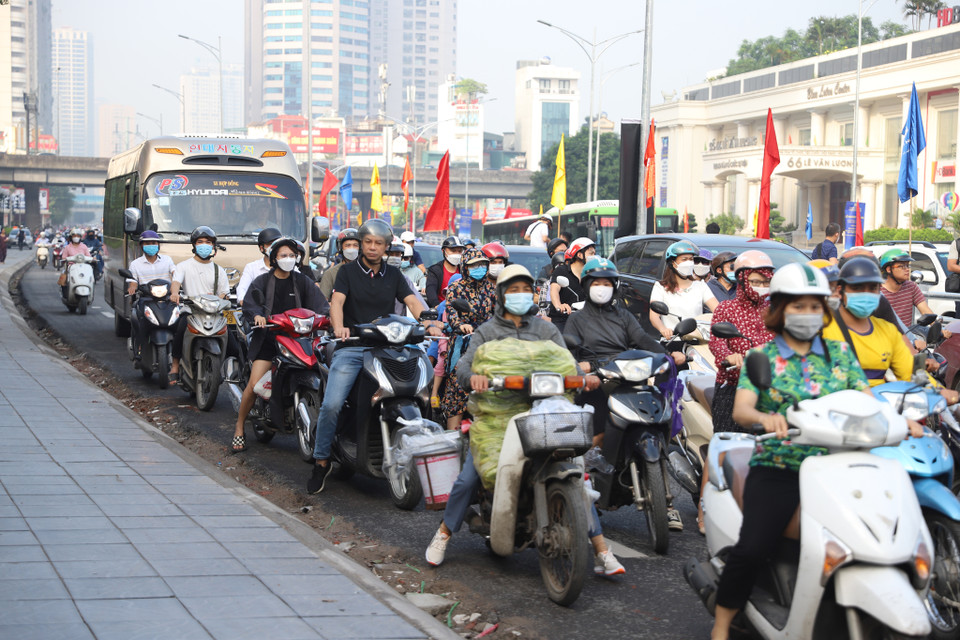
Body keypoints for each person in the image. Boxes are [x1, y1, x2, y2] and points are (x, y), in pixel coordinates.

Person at [710, 262, 918, 640]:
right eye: (797, 306)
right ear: (780, 310)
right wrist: (766, 418)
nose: (807, 314)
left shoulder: (839, 354)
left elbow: (868, 399)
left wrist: (902, 421)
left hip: (843, 466)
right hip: (780, 466)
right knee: (753, 547)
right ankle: (722, 625)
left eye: (813, 306)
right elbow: (742, 410)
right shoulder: (763, 356)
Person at [424, 265, 626, 577]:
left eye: (525, 290)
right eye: (512, 290)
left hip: (544, 411)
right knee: (469, 478)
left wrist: (584, 378)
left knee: (577, 475)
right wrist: (473, 377)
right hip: (497, 417)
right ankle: (444, 534)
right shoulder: (486, 332)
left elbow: (568, 363)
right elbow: (464, 367)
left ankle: (600, 549)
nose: (520, 296)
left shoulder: (546, 330)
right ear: (502, 294)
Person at [307, 219, 439, 494]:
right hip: (353, 346)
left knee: (421, 388)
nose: (372, 247)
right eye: (368, 242)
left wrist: (428, 324)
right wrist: (339, 326)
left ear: (386, 247)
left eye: (378, 243)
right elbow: (337, 303)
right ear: (361, 242)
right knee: (332, 404)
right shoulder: (346, 272)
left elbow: (413, 302)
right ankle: (321, 461)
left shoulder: (394, 275)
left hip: (388, 346)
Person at [565, 257, 686, 449]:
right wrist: (584, 367)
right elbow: (569, 357)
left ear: (614, 287)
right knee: (600, 426)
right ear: (586, 286)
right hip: (595, 380)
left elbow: (643, 339)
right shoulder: (576, 319)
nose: (601, 288)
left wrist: (668, 355)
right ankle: (591, 462)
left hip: (625, 374)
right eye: (597, 283)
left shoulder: (624, 316)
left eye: (606, 283)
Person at [233, 237, 329, 453]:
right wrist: (258, 316)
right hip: (269, 340)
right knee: (254, 384)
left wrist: (330, 317)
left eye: (292, 256)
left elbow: (321, 304)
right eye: (283, 255)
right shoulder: (262, 281)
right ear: (274, 258)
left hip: (300, 339)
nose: (288, 259)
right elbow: (251, 304)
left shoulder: (302, 280)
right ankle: (239, 427)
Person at [709, 250, 776, 433]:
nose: (762, 286)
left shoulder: (776, 310)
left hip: (771, 388)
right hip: (733, 385)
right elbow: (716, 341)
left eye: (766, 282)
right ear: (743, 280)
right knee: (724, 448)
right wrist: (729, 356)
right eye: (755, 282)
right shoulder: (726, 309)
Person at [821, 257, 914, 387]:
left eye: (872, 288)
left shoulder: (888, 330)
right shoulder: (822, 327)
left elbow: (910, 372)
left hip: (879, 402)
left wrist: (937, 390)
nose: (866, 294)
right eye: (857, 288)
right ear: (840, 291)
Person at [439, 247, 497, 431]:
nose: (479, 268)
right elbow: (452, 311)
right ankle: (451, 438)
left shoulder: (491, 289)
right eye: (474, 265)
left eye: (482, 264)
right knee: (456, 391)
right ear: (465, 267)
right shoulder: (456, 288)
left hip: (487, 344)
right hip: (463, 342)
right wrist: (461, 325)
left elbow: (499, 315)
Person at [169, 226, 230, 382]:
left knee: (233, 343)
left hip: (214, 313)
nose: (204, 244)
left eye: (208, 242)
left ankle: (227, 371)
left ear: (213, 246)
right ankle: (175, 365)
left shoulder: (219, 270)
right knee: (180, 330)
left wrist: (219, 298)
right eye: (200, 241)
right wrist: (174, 293)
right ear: (194, 245)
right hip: (191, 311)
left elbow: (224, 293)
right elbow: (176, 282)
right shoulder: (184, 266)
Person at [649, 240, 719, 339]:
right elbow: (654, 316)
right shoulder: (660, 287)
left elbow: (718, 310)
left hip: (697, 340)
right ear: (673, 263)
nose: (689, 263)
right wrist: (663, 329)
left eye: (691, 259)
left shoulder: (700, 286)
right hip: (672, 340)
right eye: (684, 259)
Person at [126, 230, 177, 363]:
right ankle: (139, 349)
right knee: (138, 321)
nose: (151, 245)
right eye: (147, 243)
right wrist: (132, 287)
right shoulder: (135, 264)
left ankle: (180, 353)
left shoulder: (167, 260)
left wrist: (178, 285)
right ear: (142, 245)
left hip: (167, 299)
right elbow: (133, 281)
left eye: (154, 242)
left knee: (180, 321)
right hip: (146, 299)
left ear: (158, 245)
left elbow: (175, 274)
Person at [549, 237, 595, 333]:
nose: (593, 256)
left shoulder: (591, 274)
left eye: (594, 254)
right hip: (563, 320)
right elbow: (554, 289)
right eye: (591, 253)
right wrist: (559, 305)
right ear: (579, 254)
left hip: (586, 319)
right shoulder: (562, 270)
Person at [878, 249, 934, 327]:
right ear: (888, 269)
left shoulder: (911, 287)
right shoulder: (877, 291)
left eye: (908, 265)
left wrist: (940, 328)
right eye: (901, 266)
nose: (907, 269)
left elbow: (925, 311)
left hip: (906, 336)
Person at [236, 227, 284, 303]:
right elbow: (242, 289)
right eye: (270, 244)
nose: (275, 247)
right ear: (262, 248)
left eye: (277, 243)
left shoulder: (288, 266)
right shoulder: (252, 267)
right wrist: (245, 303)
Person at [318, 228, 359, 300]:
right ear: (341, 248)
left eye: (355, 245)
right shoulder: (330, 274)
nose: (352, 249)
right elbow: (323, 304)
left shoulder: (366, 271)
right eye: (348, 245)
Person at [425, 235, 466, 308]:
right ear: (443, 251)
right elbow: (431, 291)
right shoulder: (435, 271)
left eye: (459, 251)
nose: (456, 254)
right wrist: (438, 308)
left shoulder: (464, 270)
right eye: (453, 251)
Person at [59, 228, 92, 298]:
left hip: (83, 267)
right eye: (74, 236)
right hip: (70, 267)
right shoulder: (67, 247)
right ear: (71, 237)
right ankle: (65, 295)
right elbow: (64, 257)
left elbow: (88, 256)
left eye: (78, 236)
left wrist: (92, 259)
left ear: (80, 237)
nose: (76, 237)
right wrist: (66, 259)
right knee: (63, 278)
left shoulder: (84, 246)